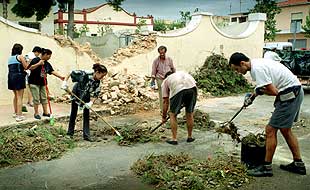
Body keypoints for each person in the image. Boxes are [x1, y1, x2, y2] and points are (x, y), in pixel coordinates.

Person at [229, 52, 306, 177]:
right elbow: (266, 86)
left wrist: (260, 91)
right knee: (286, 130)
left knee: (270, 130)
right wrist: (253, 96)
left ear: (242, 63)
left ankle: (266, 167)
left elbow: (274, 91)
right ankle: (298, 164)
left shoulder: (257, 69)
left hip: (290, 94)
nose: (238, 72)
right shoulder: (258, 63)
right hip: (295, 91)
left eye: (237, 69)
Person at [61, 64, 108, 141]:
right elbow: (71, 72)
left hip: (86, 96)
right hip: (76, 92)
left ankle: (86, 135)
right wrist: (64, 82)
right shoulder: (85, 74)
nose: (102, 78)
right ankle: (69, 134)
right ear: (97, 72)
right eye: (102, 76)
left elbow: (95, 95)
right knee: (73, 113)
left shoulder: (98, 83)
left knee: (86, 114)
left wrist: (90, 103)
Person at [161, 71, 197, 145]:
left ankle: (174, 139)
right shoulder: (181, 73)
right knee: (189, 113)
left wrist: (164, 116)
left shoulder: (165, 81)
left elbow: (165, 101)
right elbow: (194, 86)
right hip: (193, 88)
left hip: (179, 89)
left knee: (172, 114)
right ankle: (190, 137)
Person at [28, 48, 65, 119]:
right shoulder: (35, 60)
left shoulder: (47, 63)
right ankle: (36, 113)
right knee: (36, 99)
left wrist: (61, 77)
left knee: (44, 98)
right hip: (34, 83)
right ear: (44, 54)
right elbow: (30, 68)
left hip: (43, 83)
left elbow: (52, 71)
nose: (50, 58)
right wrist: (39, 64)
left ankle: (45, 112)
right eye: (49, 56)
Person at [7, 43, 29, 122]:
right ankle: (19, 116)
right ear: (20, 50)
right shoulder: (20, 57)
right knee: (20, 96)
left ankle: (16, 112)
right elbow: (26, 67)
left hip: (11, 77)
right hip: (19, 77)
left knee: (16, 95)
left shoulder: (10, 58)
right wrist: (28, 61)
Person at [151, 45, 176, 113]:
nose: (162, 54)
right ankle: (163, 110)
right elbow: (154, 70)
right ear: (159, 53)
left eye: (163, 53)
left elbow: (173, 68)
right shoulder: (156, 61)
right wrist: (152, 80)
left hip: (168, 78)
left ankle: (171, 109)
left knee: (170, 93)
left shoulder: (169, 59)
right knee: (162, 95)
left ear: (165, 52)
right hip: (160, 78)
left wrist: (175, 76)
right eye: (160, 53)